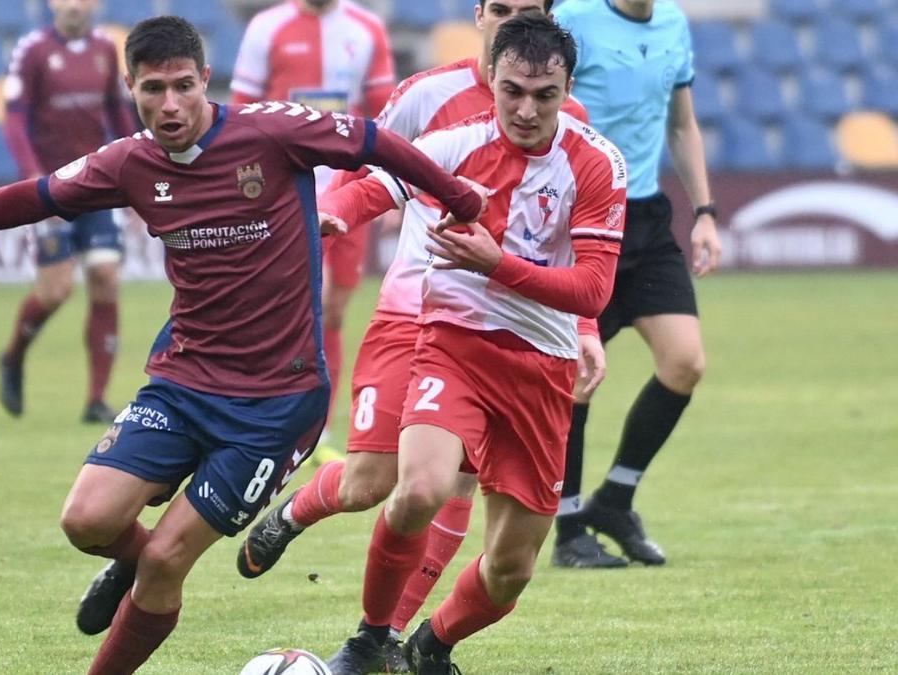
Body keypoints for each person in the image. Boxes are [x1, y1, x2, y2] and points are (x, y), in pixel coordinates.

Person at [0, 17, 485, 674]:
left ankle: (130, 602)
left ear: (204, 80)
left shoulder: (271, 131)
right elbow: (38, 196)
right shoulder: (128, 161)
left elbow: (374, 140)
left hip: (276, 404)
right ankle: (129, 561)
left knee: (168, 559)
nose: (169, 105)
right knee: (85, 520)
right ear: (130, 87)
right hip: (183, 380)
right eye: (153, 89)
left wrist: (457, 197)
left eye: (182, 87)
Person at [236, 1, 617, 669]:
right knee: (401, 484)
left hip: (539, 358)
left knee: (509, 564)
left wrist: (581, 325)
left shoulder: (590, 153)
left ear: (565, 87)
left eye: (544, 96)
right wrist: (329, 217)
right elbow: (376, 180)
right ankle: (367, 632)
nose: (527, 108)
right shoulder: (435, 113)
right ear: (484, 28)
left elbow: (588, 277)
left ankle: (422, 643)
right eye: (502, 9)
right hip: (433, 321)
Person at [549, 0, 722, 568]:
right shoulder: (574, 17)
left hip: (647, 219)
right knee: (575, 374)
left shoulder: (673, 23)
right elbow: (542, 109)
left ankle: (614, 501)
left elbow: (681, 122)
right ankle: (568, 526)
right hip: (586, 216)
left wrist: (705, 211)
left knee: (685, 363)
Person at [231, 0, 396, 461]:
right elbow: (239, 113)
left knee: (335, 309)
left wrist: (395, 189)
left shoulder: (366, 29)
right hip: (283, 190)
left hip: (349, 189)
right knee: (288, 307)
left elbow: (388, 117)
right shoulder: (268, 27)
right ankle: (270, 416)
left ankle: (314, 429)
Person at [0, 0, 139, 424]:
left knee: (105, 276)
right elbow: (15, 120)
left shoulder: (105, 49)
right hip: (51, 188)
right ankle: (12, 356)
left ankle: (96, 399)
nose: (75, 5)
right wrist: (33, 178)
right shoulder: (33, 50)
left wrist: (140, 160)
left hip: (96, 183)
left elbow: (117, 111)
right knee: (56, 290)